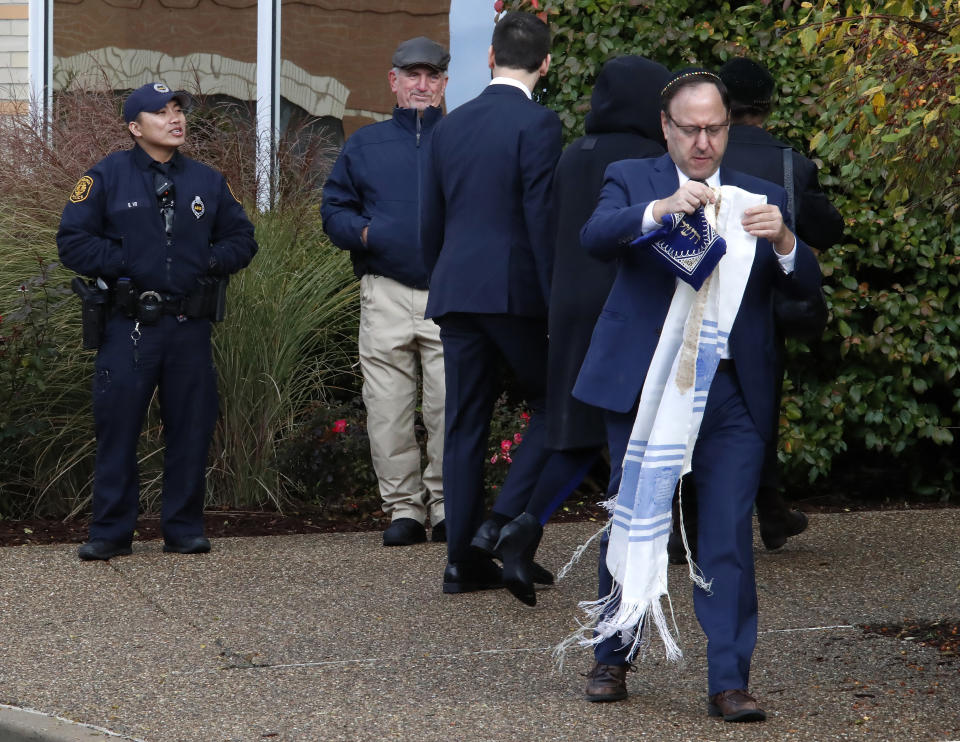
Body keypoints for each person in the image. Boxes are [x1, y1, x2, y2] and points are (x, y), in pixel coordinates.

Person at [572, 69, 822, 720]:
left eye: (716, 128)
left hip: (732, 392)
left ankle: (729, 681)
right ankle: (612, 653)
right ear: (667, 128)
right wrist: (659, 210)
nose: (705, 142)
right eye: (692, 129)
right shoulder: (634, 179)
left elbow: (807, 286)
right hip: (645, 386)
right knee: (635, 519)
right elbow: (595, 238)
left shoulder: (759, 195)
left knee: (727, 537)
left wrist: (787, 242)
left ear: (728, 126)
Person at [486, 55, 671, 605]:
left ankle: (524, 524)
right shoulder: (651, 160)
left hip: (569, 305)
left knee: (580, 428)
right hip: (625, 305)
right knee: (633, 431)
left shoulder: (573, 154)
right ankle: (644, 549)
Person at [57, 82, 258, 561]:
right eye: (161, 112)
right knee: (118, 427)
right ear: (135, 126)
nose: (175, 119)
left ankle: (184, 528)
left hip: (188, 324)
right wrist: (131, 260)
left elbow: (242, 238)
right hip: (129, 326)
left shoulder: (209, 181)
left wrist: (203, 262)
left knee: (190, 428)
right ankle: (110, 532)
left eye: (178, 110)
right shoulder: (105, 176)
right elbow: (73, 242)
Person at [420, 11, 563, 600]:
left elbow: (431, 221)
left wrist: (443, 277)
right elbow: (540, 219)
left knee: (463, 423)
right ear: (546, 63)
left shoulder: (449, 127)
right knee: (554, 404)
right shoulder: (541, 125)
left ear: (489, 57)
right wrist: (556, 302)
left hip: (455, 289)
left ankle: (460, 563)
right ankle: (498, 527)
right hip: (515, 291)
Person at [322, 37, 450, 547]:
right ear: (393, 80)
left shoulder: (460, 138)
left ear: (444, 83)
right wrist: (368, 234)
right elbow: (334, 210)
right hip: (386, 290)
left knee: (450, 405)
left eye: (432, 76)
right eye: (412, 76)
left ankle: (446, 507)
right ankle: (404, 510)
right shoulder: (365, 144)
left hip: (449, 292)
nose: (422, 86)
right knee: (387, 406)